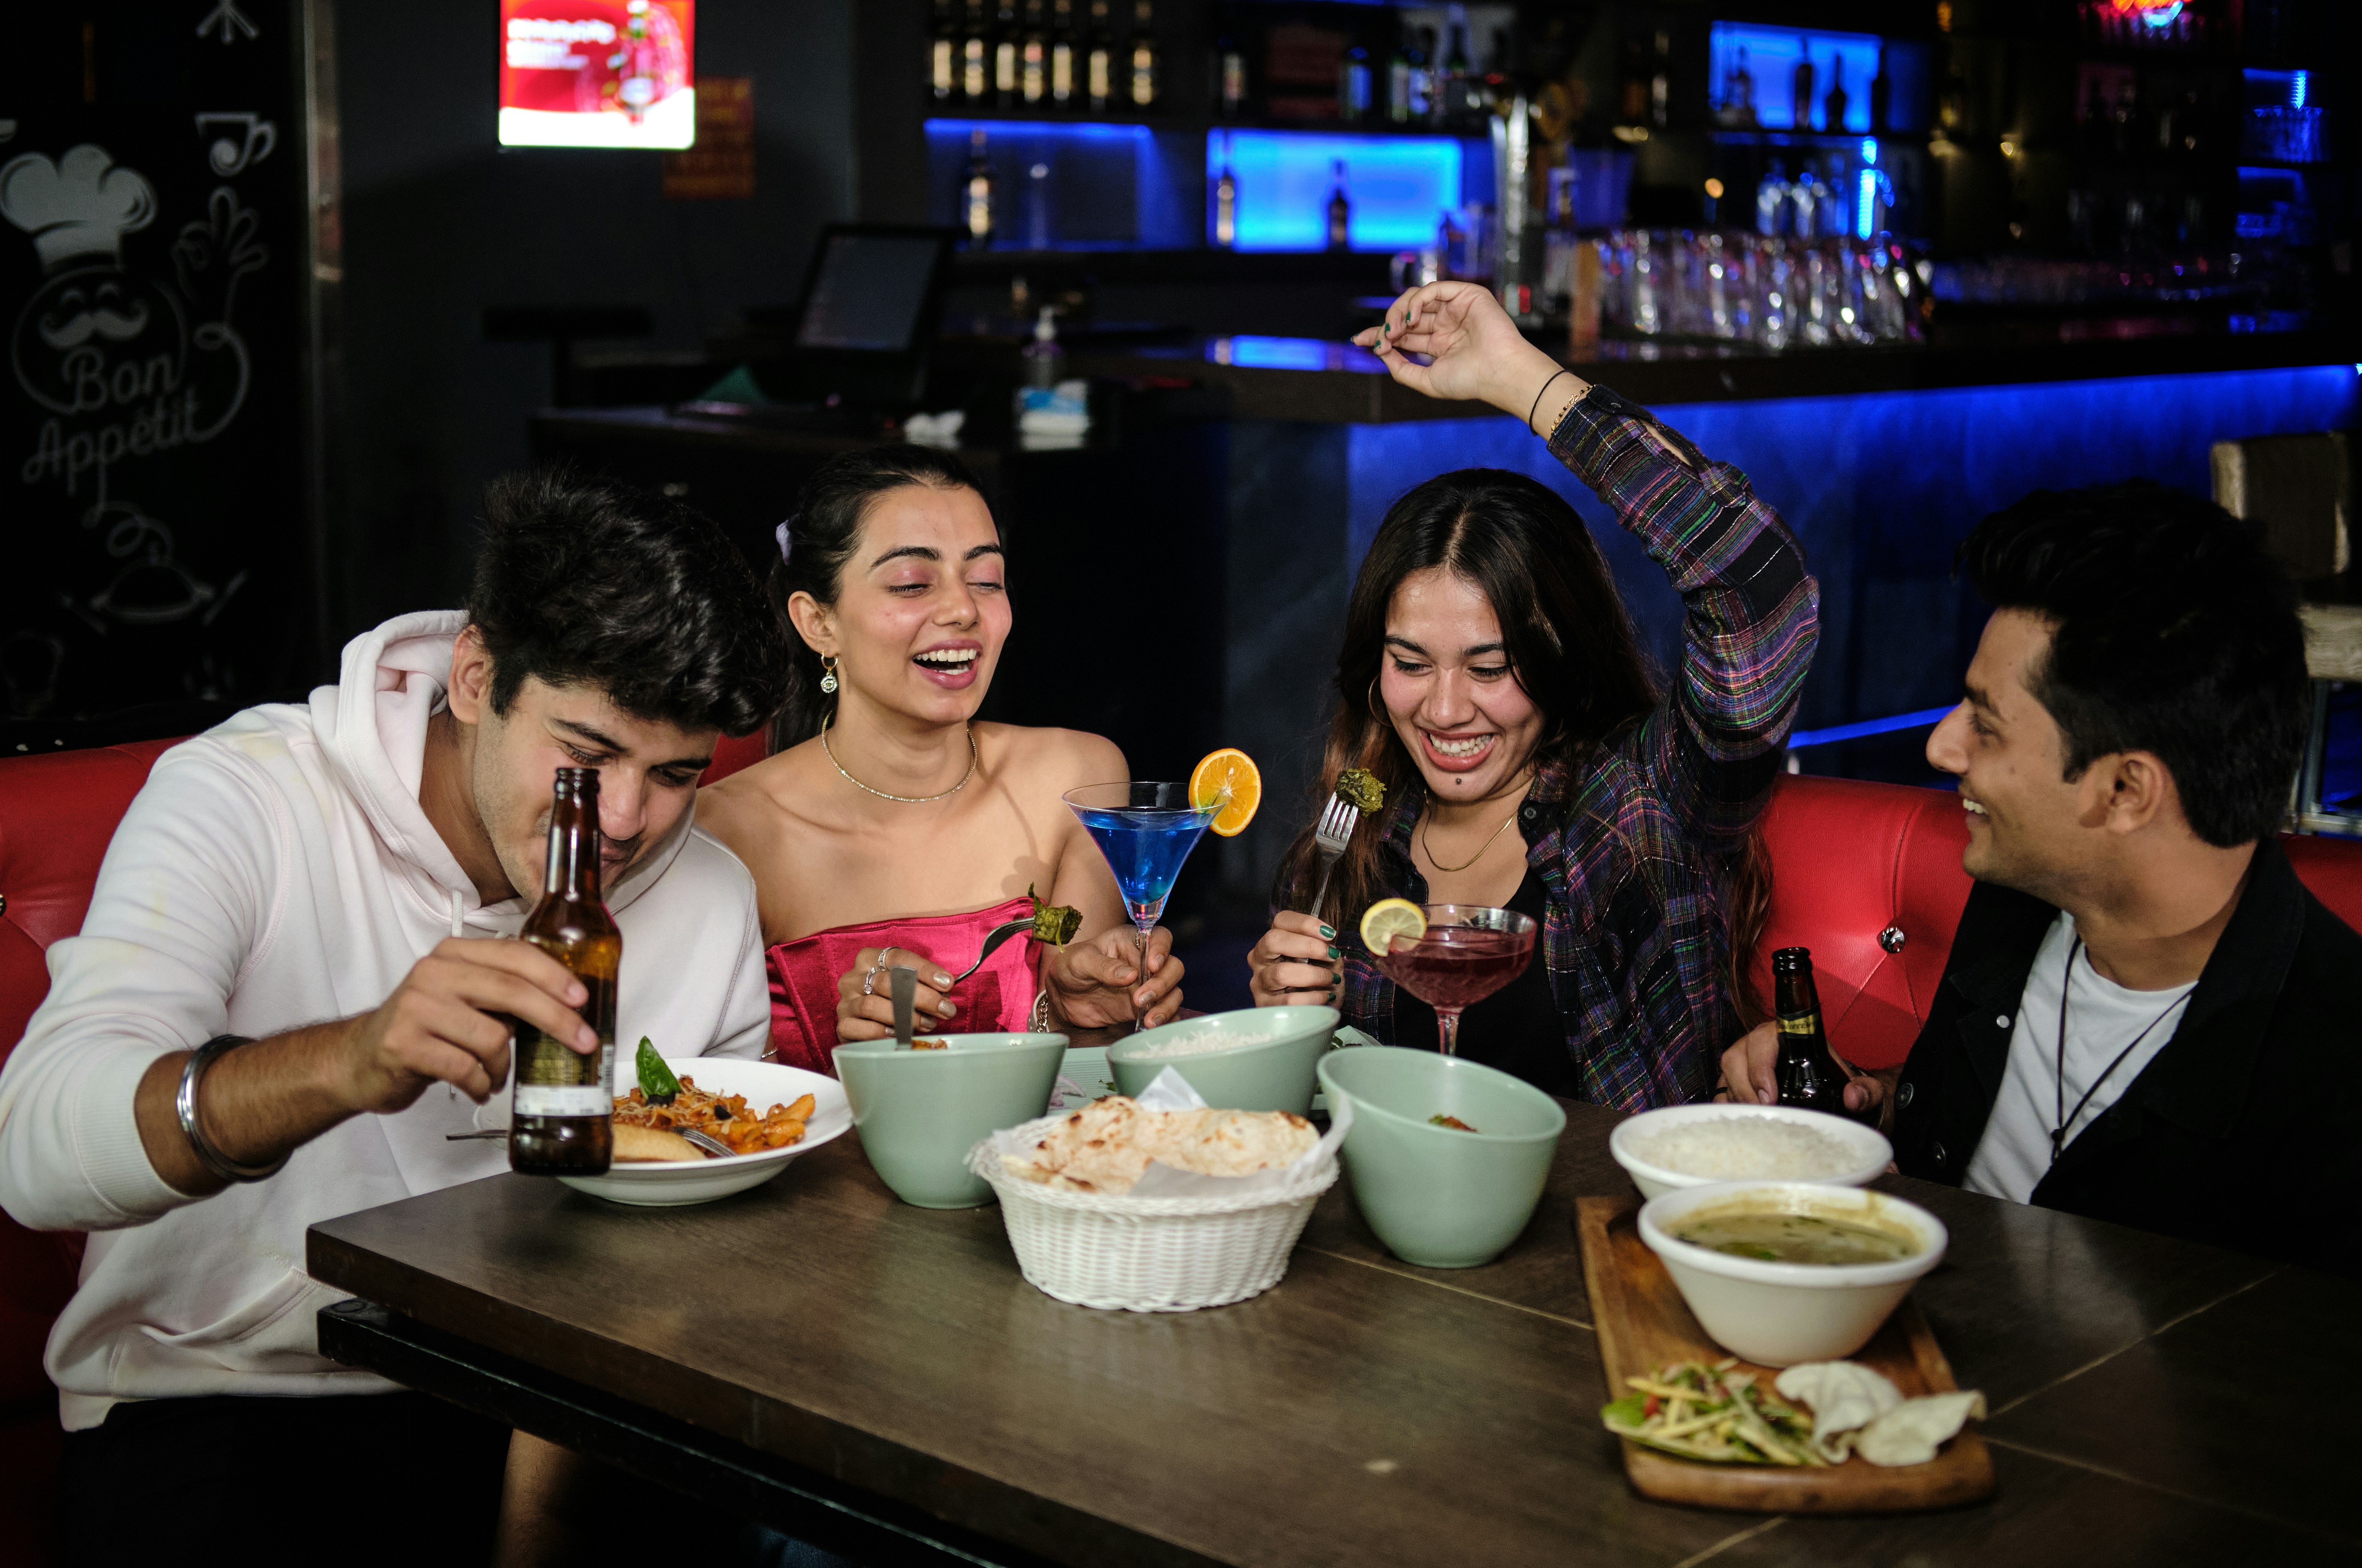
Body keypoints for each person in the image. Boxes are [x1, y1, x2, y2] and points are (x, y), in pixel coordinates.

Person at [0, 471, 791, 1562]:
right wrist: (346, 1061)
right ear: (476, 676)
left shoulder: (707, 892)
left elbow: (682, 1250)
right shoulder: (247, 797)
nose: (622, 822)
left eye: (675, 775)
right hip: (237, 1398)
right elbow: (34, 1152)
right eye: (587, 755)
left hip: (561, 1401)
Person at [1719, 482, 2362, 1275]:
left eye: (1985, 725)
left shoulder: (2330, 1080)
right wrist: (1866, 1106)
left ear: (2126, 792)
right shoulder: (2026, 893)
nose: (1943, 748)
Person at [1245, 282, 1819, 1108]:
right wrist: (1283, 1033)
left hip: (1609, 1229)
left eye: (1489, 669)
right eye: (1411, 662)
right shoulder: (1353, 842)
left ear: (1563, 658)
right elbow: (1316, 1126)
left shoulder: (1641, 802)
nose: (1444, 711)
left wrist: (1522, 380)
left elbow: (1761, 588)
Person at [696, 445, 1183, 1069]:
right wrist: (836, 1044)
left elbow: (1079, 1048)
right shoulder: (729, 831)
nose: (963, 610)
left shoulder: (1077, 782)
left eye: (986, 580)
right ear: (818, 623)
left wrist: (1072, 1008)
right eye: (912, 584)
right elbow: (698, 1092)